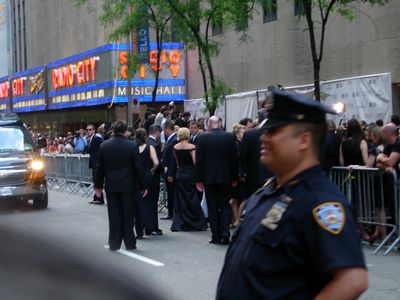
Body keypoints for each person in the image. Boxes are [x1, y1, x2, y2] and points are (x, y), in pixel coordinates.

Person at [216, 90, 368, 299]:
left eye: (274, 132)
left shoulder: (321, 201)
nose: (264, 138)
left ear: (304, 140)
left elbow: (352, 280)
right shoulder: (269, 190)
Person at [95, 121, 147, 251]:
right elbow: (138, 167)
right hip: (128, 185)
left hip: (111, 185)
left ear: (113, 131)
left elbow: (99, 168)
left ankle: (114, 242)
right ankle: (130, 242)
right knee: (128, 215)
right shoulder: (132, 145)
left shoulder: (104, 146)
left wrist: (98, 186)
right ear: (125, 131)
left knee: (114, 215)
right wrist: (143, 186)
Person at [196, 116, 238, 245]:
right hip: (225, 177)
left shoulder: (202, 138)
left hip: (209, 178)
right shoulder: (230, 137)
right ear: (220, 124)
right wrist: (234, 177)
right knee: (225, 205)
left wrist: (199, 179)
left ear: (209, 125)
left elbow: (199, 161)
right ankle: (225, 233)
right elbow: (234, 158)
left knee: (212, 206)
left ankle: (216, 235)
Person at [169, 128, 207, 231]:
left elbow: (177, 163)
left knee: (181, 198)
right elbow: (196, 163)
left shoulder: (175, 147)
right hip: (190, 174)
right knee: (192, 198)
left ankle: (180, 222)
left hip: (180, 173)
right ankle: (195, 222)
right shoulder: (192, 147)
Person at [134, 128, 161, 237]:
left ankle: (140, 227)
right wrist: (152, 170)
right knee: (150, 202)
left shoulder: (134, 147)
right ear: (145, 136)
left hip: (137, 176)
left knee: (139, 202)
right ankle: (149, 227)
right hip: (148, 175)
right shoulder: (150, 147)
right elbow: (156, 162)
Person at [146, 124, 163, 235]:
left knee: (147, 202)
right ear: (156, 132)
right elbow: (156, 162)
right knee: (153, 202)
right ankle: (153, 227)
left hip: (144, 176)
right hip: (153, 176)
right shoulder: (154, 145)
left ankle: (148, 226)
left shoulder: (144, 142)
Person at [160, 120, 177, 220]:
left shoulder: (174, 140)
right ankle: (171, 213)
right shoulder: (170, 139)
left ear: (167, 129)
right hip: (168, 171)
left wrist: (170, 173)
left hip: (170, 172)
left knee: (172, 193)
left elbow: (173, 159)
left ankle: (173, 213)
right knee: (170, 194)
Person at [230, 124, 246, 227]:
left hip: (235, 175)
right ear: (237, 134)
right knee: (240, 198)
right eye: (242, 133)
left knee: (235, 199)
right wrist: (241, 173)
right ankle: (237, 220)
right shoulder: (237, 144)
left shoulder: (237, 143)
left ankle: (235, 220)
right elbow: (237, 161)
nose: (244, 135)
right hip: (238, 175)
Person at [87, 124, 104, 205]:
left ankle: (99, 198)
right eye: (87, 130)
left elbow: (102, 147)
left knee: (97, 181)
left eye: (90, 129)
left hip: (97, 163)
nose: (88, 131)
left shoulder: (97, 138)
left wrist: (99, 160)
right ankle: (97, 197)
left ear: (94, 130)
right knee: (95, 181)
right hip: (94, 163)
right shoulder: (90, 139)